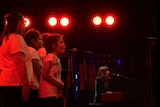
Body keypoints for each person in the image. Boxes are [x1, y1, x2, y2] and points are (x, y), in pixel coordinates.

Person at [0, 11, 32, 107]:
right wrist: (26, 85)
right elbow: (19, 62)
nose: (24, 26)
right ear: (18, 23)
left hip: (6, 81)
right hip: (15, 84)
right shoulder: (16, 38)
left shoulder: (5, 38)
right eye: (23, 22)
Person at [38, 33, 66, 107]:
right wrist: (58, 84)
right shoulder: (50, 56)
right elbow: (45, 74)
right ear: (54, 46)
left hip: (52, 93)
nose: (64, 45)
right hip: (47, 93)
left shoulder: (55, 58)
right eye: (61, 42)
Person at [24, 28, 43, 107]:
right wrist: (43, 84)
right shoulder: (32, 50)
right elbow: (37, 70)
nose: (41, 41)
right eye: (39, 39)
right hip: (34, 86)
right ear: (33, 40)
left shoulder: (26, 49)